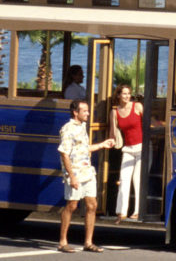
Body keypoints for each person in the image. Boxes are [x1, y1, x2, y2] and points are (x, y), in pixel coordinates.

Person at [58, 99, 115, 253]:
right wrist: (72, 176)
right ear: (75, 112)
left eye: (88, 111)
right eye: (85, 111)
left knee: (92, 205)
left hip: (87, 172)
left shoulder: (82, 127)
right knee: (72, 206)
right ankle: (63, 241)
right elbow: (64, 153)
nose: (88, 114)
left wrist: (102, 144)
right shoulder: (68, 129)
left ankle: (88, 242)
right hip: (75, 172)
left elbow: (84, 149)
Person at [109, 84, 143, 223]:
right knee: (124, 179)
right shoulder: (115, 112)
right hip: (128, 149)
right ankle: (122, 212)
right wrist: (110, 142)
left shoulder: (137, 106)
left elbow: (147, 123)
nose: (127, 96)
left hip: (142, 147)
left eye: (128, 93)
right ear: (118, 95)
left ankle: (137, 211)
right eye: (124, 94)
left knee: (137, 179)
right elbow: (113, 131)